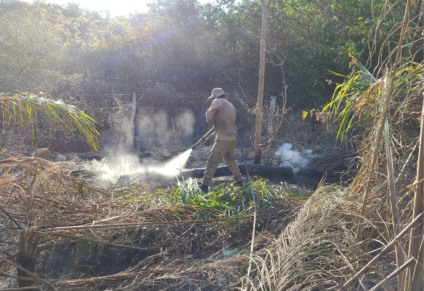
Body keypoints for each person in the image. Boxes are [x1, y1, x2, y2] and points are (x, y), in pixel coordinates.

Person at [199, 88, 243, 193]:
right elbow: (221, 128)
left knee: (212, 160)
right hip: (231, 138)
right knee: (230, 160)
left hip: (223, 138)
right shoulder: (230, 105)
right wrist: (209, 139)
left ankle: (205, 185)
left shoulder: (217, 102)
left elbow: (209, 116)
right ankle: (239, 181)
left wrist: (211, 119)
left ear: (215, 96)